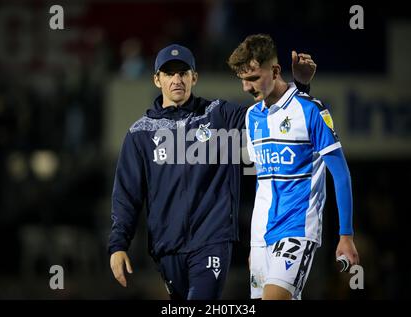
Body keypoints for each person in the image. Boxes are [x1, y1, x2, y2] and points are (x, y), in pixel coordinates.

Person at [108, 43, 316, 300]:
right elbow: (127, 195)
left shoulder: (219, 115)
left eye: (183, 73)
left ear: (194, 77)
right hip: (166, 247)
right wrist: (118, 245)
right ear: (156, 79)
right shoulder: (140, 134)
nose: (176, 79)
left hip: (212, 240)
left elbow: (272, 118)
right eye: (169, 73)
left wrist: (300, 87)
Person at [227, 34, 359, 300]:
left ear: (275, 70)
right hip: (261, 235)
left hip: (297, 229)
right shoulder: (252, 116)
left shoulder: (311, 111)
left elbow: (341, 175)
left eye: (252, 78)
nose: (245, 87)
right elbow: (263, 180)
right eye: (242, 79)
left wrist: (346, 234)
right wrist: (257, 243)